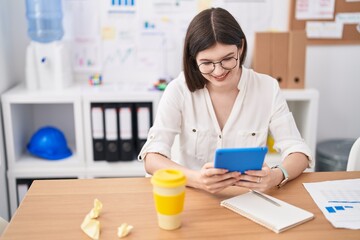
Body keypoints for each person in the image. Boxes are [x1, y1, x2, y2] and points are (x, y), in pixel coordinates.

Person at [138, 7, 313, 193]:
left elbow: (298, 151)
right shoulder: (178, 90)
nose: (219, 71)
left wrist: (278, 175)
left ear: (241, 47)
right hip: (192, 196)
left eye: (227, 59)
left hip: (247, 198)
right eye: (206, 63)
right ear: (193, 60)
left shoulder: (267, 88)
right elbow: (152, 157)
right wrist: (197, 179)